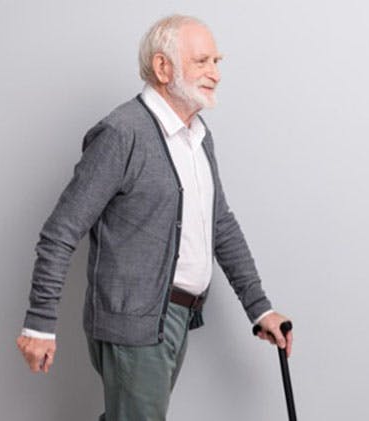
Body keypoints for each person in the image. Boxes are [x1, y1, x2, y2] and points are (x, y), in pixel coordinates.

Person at [16, 14, 293, 420]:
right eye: (202, 61)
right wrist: (39, 323)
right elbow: (60, 231)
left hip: (174, 318)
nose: (215, 73)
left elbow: (221, 225)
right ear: (163, 68)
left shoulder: (198, 136)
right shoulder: (122, 133)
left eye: (218, 62)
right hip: (135, 323)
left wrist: (260, 309)